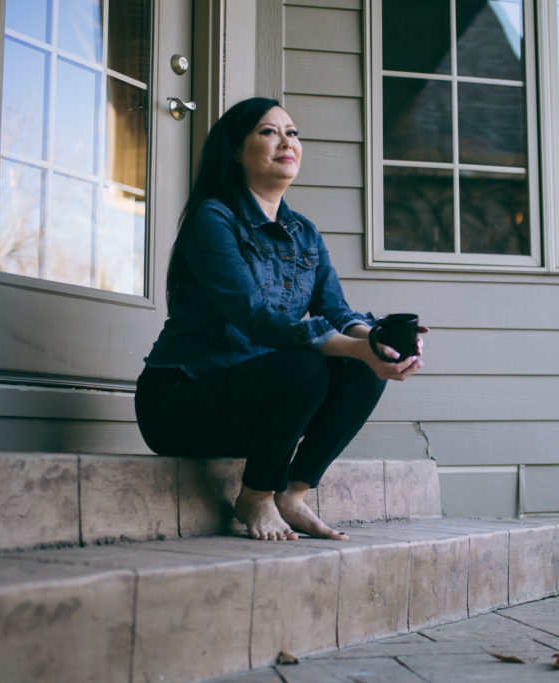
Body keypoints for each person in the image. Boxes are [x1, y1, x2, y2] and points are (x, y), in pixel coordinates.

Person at [135, 97, 425, 542]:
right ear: (235, 150)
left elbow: (338, 311)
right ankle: (255, 496)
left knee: (364, 369)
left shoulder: (304, 232)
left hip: (255, 408)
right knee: (305, 364)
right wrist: (355, 347)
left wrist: (378, 342)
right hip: (181, 402)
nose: (286, 141)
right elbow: (257, 319)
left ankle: (293, 493)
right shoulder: (214, 218)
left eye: (292, 132)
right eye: (268, 131)